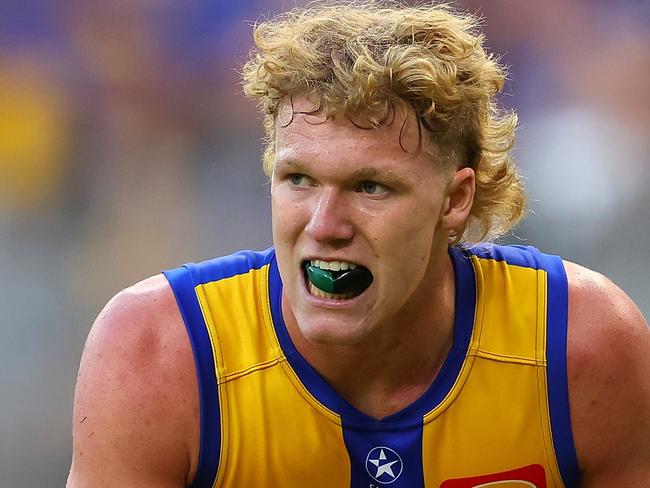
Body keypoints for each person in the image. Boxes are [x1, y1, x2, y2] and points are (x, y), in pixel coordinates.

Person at [66, 3, 650, 487]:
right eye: (299, 180)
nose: (325, 224)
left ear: (456, 200)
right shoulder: (156, 354)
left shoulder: (580, 344)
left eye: (371, 186)